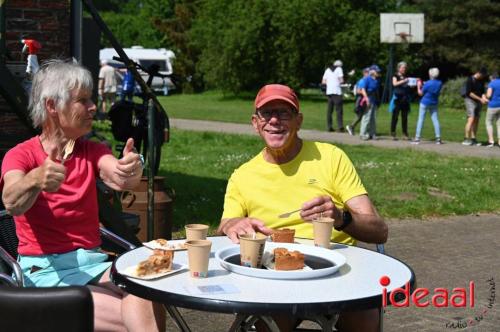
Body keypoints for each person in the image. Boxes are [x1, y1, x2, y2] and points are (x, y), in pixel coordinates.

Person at [0, 60, 165, 332]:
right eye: (83, 100)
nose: (92, 108)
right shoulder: (21, 155)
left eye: (92, 100)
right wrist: (37, 178)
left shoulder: (91, 151)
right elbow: (11, 200)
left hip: (92, 264)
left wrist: (131, 168)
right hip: (46, 274)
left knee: (148, 289)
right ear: (52, 106)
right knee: (134, 316)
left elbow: (118, 175)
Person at [218, 84, 388, 332]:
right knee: (267, 319)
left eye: (284, 113)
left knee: (364, 314)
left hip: (336, 272)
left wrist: (341, 218)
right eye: (267, 113)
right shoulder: (242, 176)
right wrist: (232, 224)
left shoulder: (330, 157)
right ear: (255, 122)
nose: (274, 121)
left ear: (299, 121)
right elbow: (225, 226)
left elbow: (379, 231)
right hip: (273, 274)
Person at [411, 67, 443, 145]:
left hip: (425, 102)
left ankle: (417, 138)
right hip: (434, 102)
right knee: (435, 120)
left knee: (421, 119)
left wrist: (418, 86)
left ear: (430, 74)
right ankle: (438, 138)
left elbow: (421, 93)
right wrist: (425, 84)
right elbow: (432, 87)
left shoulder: (428, 83)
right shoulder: (439, 83)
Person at [462, 67, 488, 146]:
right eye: (483, 75)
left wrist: (484, 98)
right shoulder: (470, 80)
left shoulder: (481, 80)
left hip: (478, 101)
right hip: (470, 100)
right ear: (479, 73)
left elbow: (483, 92)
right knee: (471, 118)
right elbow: (469, 93)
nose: (483, 77)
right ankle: (466, 138)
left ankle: (473, 139)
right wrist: (480, 99)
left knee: (476, 119)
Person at [390, 62, 412, 140]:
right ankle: (393, 133)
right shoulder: (395, 75)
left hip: (405, 98)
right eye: (403, 67)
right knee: (395, 116)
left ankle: (405, 134)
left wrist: (411, 84)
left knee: (405, 117)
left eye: (405, 68)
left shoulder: (406, 77)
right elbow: (394, 84)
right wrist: (404, 81)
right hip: (397, 98)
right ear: (399, 68)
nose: (404, 69)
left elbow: (407, 85)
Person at [359, 65, 381, 140]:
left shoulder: (376, 80)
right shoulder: (367, 79)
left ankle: (372, 133)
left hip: (374, 100)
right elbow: (362, 89)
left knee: (373, 118)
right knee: (366, 117)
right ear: (372, 71)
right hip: (368, 99)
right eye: (376, 71)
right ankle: (363, 134)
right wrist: (366, 98)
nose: (378, 72)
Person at [322, 60, 344, 132]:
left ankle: (329, 126)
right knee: (339, 110)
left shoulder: (327, 70)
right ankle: (340, 127)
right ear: (339, 65)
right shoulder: (339, 69)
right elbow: (341, 80)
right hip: (337, 92)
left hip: (329, 92)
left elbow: (323, 81)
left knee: (329, 111)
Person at [346, 67, 370, 136]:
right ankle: (351, 126)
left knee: (362, 116)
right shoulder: (362, 81)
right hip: (360, 100)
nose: (369, 75)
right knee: (360, 115)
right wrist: (365, 94)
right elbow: (358, 91)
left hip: (364, 99)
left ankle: (353, 127)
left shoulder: (366, 81)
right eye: (368, 73)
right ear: (364, 73)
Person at [483, 71, 500, 147]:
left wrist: (485, 96)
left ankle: (491, 141)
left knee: (488, 122)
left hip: (493, 105)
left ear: (492, 77)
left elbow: (489, 95)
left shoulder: (492, 83)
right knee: (499, 124)